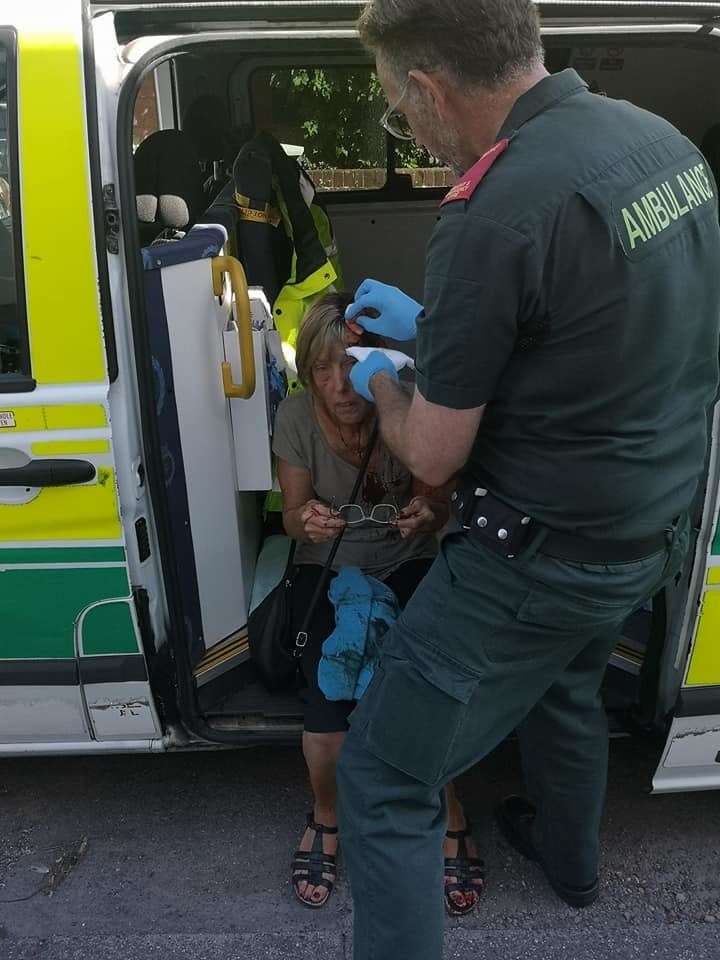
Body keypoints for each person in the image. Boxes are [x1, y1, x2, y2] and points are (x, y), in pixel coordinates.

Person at [334, 2, 720, 958]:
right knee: (567, 691)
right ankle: (571, 866)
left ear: (427, 89)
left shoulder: (491, 210)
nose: (406, 125)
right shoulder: (660, 145)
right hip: (649, 532)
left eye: (397, 108)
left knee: (384, 780)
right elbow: (597, 329)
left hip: (532, 562)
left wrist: (389, 380)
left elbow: (429, 455)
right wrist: (443, 328)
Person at [272, 292, 485, 913]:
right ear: (307, 371)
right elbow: (288, 516)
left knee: (426, 686)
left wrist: (428, 514)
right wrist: (305, 522)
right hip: (329, 565)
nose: (340, 385)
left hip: (405, 558)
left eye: (352, 363)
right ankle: (327, 815)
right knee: (328, 697)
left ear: (380, 362)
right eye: (322, 368)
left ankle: (448, 811)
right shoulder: (294, 418)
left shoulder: (409, 408)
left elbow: (438, 503)